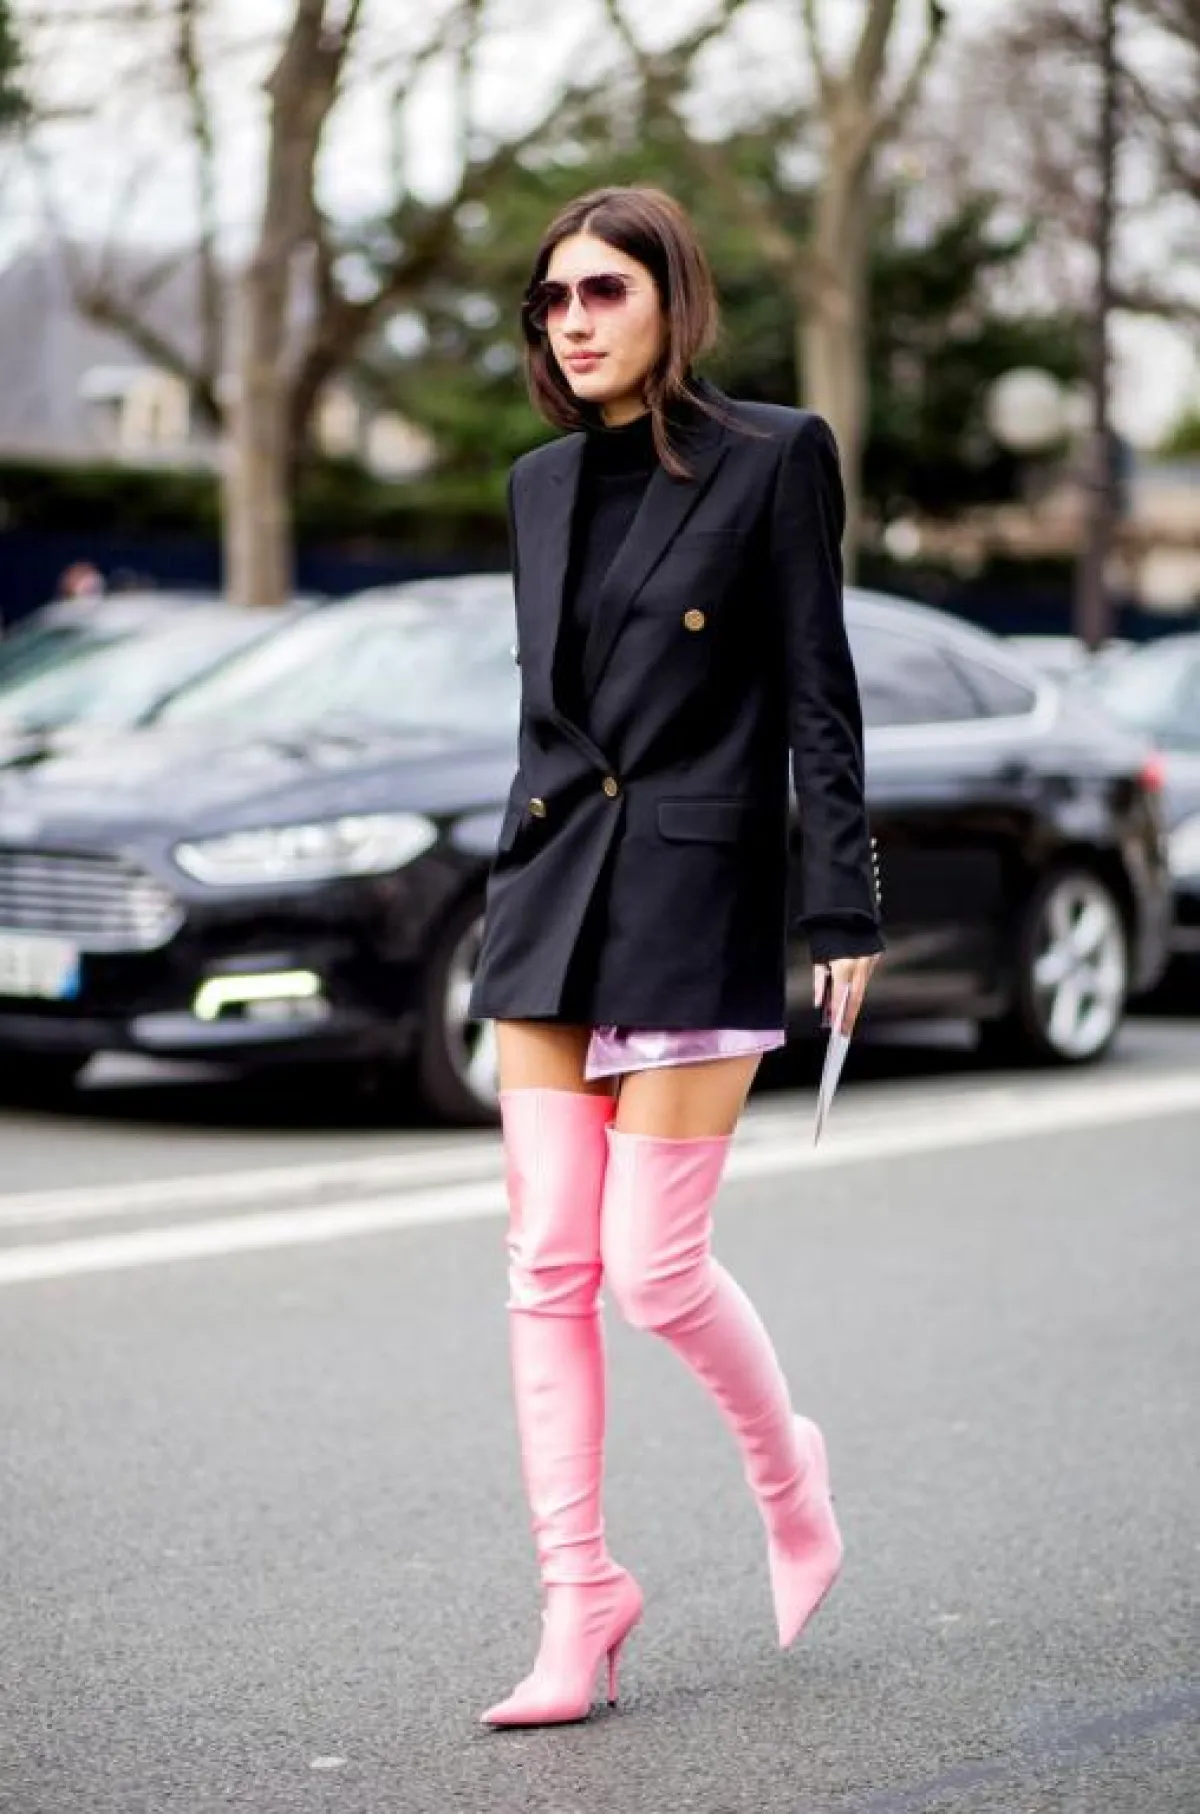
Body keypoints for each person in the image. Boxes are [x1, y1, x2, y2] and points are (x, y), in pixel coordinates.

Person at [468, 184, 884, 1729]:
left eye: (604, 291)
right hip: (552, 888)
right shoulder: (537, 485)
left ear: (671, 299)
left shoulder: (774, 457)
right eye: (552, 299)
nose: (573, 321)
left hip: (696, 894)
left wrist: (842, 905)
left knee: (650, 1270)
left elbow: (820, 695)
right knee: (545, 1266)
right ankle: (578, 1593)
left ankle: (790, 1476)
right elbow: (548, 713)